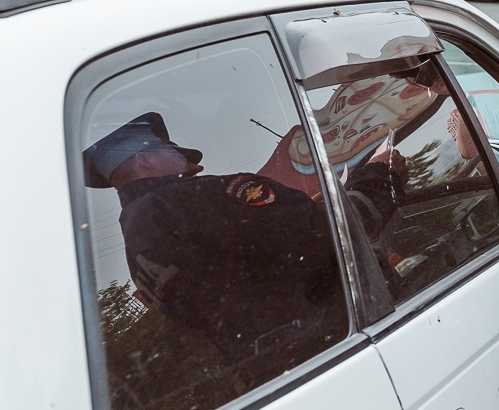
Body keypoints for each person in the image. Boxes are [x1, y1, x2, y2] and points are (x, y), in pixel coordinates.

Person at [83, 112, 343, 370]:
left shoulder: (137, 238)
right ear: (145, 158)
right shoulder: (185, 200)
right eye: (173, 150)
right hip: (328, 342)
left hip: (265, 367)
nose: (192, 164)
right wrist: (372, 182)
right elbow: (318, 228)